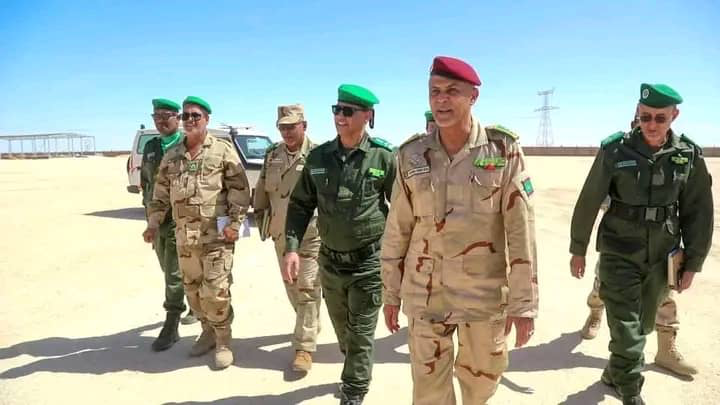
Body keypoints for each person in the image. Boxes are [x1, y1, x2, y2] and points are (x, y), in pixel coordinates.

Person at [381, 56, 538, 405]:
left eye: (452, 91)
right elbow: (398, 228)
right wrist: (390, 293)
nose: (441, 100)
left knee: (481, 385)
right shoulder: (411, 155)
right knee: (428, 392)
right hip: (425, 293)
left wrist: (524, 303)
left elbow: (520, 229)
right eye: (434, 91)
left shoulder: (502, 150)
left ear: (473, 96)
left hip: (482, 295)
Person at [569, 84, 713, 405]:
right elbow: (589, 200)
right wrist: (578, 248)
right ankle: (631, 388)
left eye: (660, 118)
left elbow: (699, 212)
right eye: (645, 116)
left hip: (662, 255)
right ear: (637, 113)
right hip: (618, 249)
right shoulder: (615, 150)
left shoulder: (687, 155)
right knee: (627, 327)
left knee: (643, 322)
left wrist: (693, 263)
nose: (651, 124)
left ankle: (614, 372)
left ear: (674, 116)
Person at [283, 84, 395, 405]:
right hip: (330, 262)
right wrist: (292, 247)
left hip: (369, 263)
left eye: (348, 111)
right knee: (344, 331)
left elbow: (402, 210)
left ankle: (354, 390)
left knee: (360, 333)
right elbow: (300, 205)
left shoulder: (384, 157)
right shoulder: (319, 158)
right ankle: (354, 365)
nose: (340, 117)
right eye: (337, 110)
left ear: (367, 116)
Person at [581, 117, 697, 377]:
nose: (648, 127)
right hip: (621, 243)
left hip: (659, 245)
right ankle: (596, 313)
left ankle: (665, 349)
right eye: (641, 121)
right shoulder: (619, 153)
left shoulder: (672, 154)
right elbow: (598, 196)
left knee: (664, 294)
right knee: (603, 287)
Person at [143, 96, 251, 369]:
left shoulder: (222, 151)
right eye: (186, 116)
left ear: (206, 119)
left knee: (215, 291)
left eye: (195, 116)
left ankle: (223, 339)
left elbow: (240, 190)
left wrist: (235, 224)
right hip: (185, 238)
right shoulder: (172, 155)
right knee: (193, 292)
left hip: (217, 237)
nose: (189, 120)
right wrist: (153, 224)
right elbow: (160, 195)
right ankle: (207, 331)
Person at [253, 104, 322, 373]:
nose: (287, 132)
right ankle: (310, 324)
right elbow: (262, 190)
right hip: (281, 233)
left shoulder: (319, 154)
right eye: (282, 127)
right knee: (291, 285)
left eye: (292, 126)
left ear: (304, 126)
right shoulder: (273, 155)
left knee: (307, 287)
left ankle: (304, 347)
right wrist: (261, 219)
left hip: (311, 234)